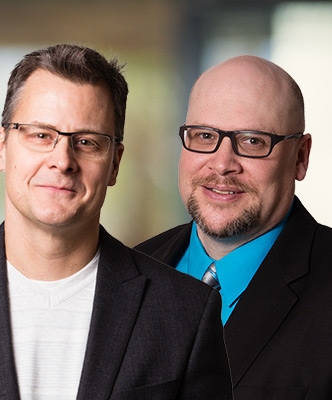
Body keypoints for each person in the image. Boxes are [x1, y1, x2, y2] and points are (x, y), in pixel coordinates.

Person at [0, 44, 232, 399]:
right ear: (1, 147)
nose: (62, 161)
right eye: (41, 135)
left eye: (87, 142)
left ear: (115, 163)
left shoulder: (184, 312)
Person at [135, 55, 332, 399]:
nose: (222, 164)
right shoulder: (128, 271)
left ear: (300, 157)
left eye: (253, 141)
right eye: (204, 135)